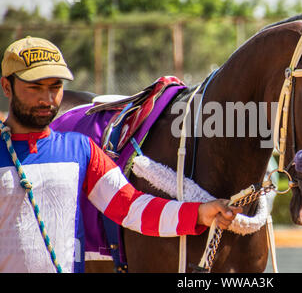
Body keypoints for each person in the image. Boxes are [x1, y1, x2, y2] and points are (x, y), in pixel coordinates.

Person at [0, 36, 241, 273]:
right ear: (7, 86)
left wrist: (199, 214)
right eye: (34, 88)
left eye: (56, 87)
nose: (47, 99)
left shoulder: (80, 149)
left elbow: (131, 208)